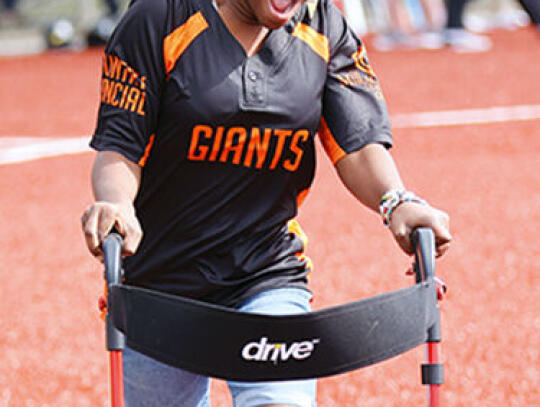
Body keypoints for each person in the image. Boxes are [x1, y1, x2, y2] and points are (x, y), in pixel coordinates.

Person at [81, 0, 452, 405]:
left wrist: (397, 201)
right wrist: (116, 204)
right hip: (158, 284)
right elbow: (120, 147)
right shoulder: (159, 17)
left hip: (265, 272)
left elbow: (359, 146)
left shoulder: (324, 26)